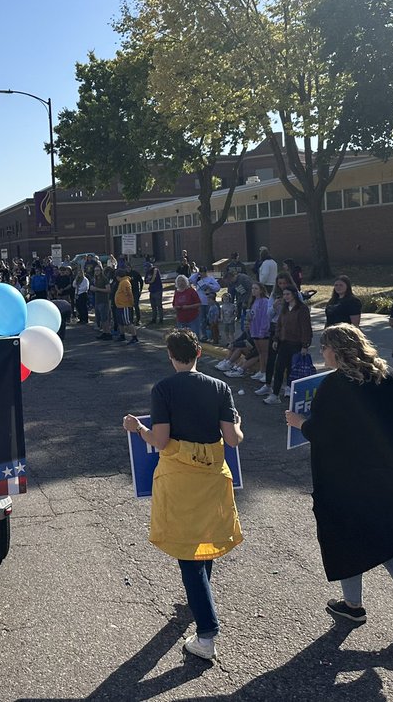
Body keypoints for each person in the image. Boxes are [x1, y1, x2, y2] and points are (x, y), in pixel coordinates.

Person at [285, 323, 393, 626]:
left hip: (346, 478)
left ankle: (353, 605)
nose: (321, 353)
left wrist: (300, 423)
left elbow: (324, 433)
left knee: (346, 538)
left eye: (324, 347)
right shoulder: (388, 374)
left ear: (336, 351)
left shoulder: (334, 386)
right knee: (383, 533)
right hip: (389, 470)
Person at [122, 329, 244, 661]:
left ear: (171, 357)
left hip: (179, 480)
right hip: (212, 477)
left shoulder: (163, 389)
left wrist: (138, 428)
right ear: (199, 354)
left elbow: (160, 441)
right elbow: (233, 439)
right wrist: (239, 423)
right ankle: (199, 601)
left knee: (187, 554)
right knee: (206, 541)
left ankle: (207, 633)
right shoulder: (220, 387)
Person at [263, 286, 312, 403]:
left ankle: (292, 392)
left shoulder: (302, 309)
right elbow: (279, 324)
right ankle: (275, 394)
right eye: (284, 294)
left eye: (288, 294)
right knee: (279, 368)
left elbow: (306, 328)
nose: (285, 297)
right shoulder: (284, 308)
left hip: (296, 343)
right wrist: (276, 339)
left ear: (294, 294)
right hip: (283, 342)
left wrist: (305, 345)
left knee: (293, 369)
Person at [114, 270, 139, 345]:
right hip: (120, 305)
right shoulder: (122, 282)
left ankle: (134, 337)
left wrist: (131, 303)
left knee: (128, 322)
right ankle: (122, 336)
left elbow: (129, 294)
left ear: (118, 276)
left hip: (125, 305)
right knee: (120, 322)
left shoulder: (125, 282)